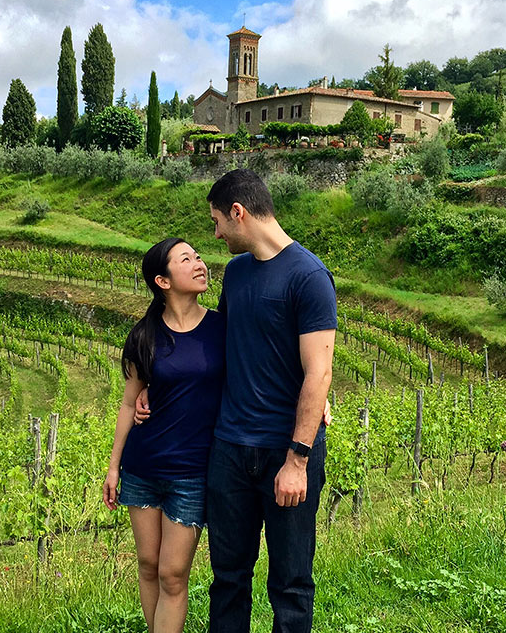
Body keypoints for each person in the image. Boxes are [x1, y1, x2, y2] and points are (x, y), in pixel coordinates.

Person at [138, 170, 336, 632]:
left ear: (238, 213)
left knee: (289, 583)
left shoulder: (309, 276)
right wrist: (153, 385)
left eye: (216, 222)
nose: (215, 235)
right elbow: (215, 347)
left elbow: (318, 370)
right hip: (227, 450)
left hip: (285, 452)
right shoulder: (239, 274)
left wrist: (297, 459)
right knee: (228, 579)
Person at [103, 237, 226, 633]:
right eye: (186, 259)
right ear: (163, 280)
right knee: (148, 565)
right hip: (142, 469)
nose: (199, 263)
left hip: (191, 474)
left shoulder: (221, 328)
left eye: (199, 256)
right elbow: (128, 402)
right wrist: (114, 466)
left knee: (173, 574)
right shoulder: (144, 336)